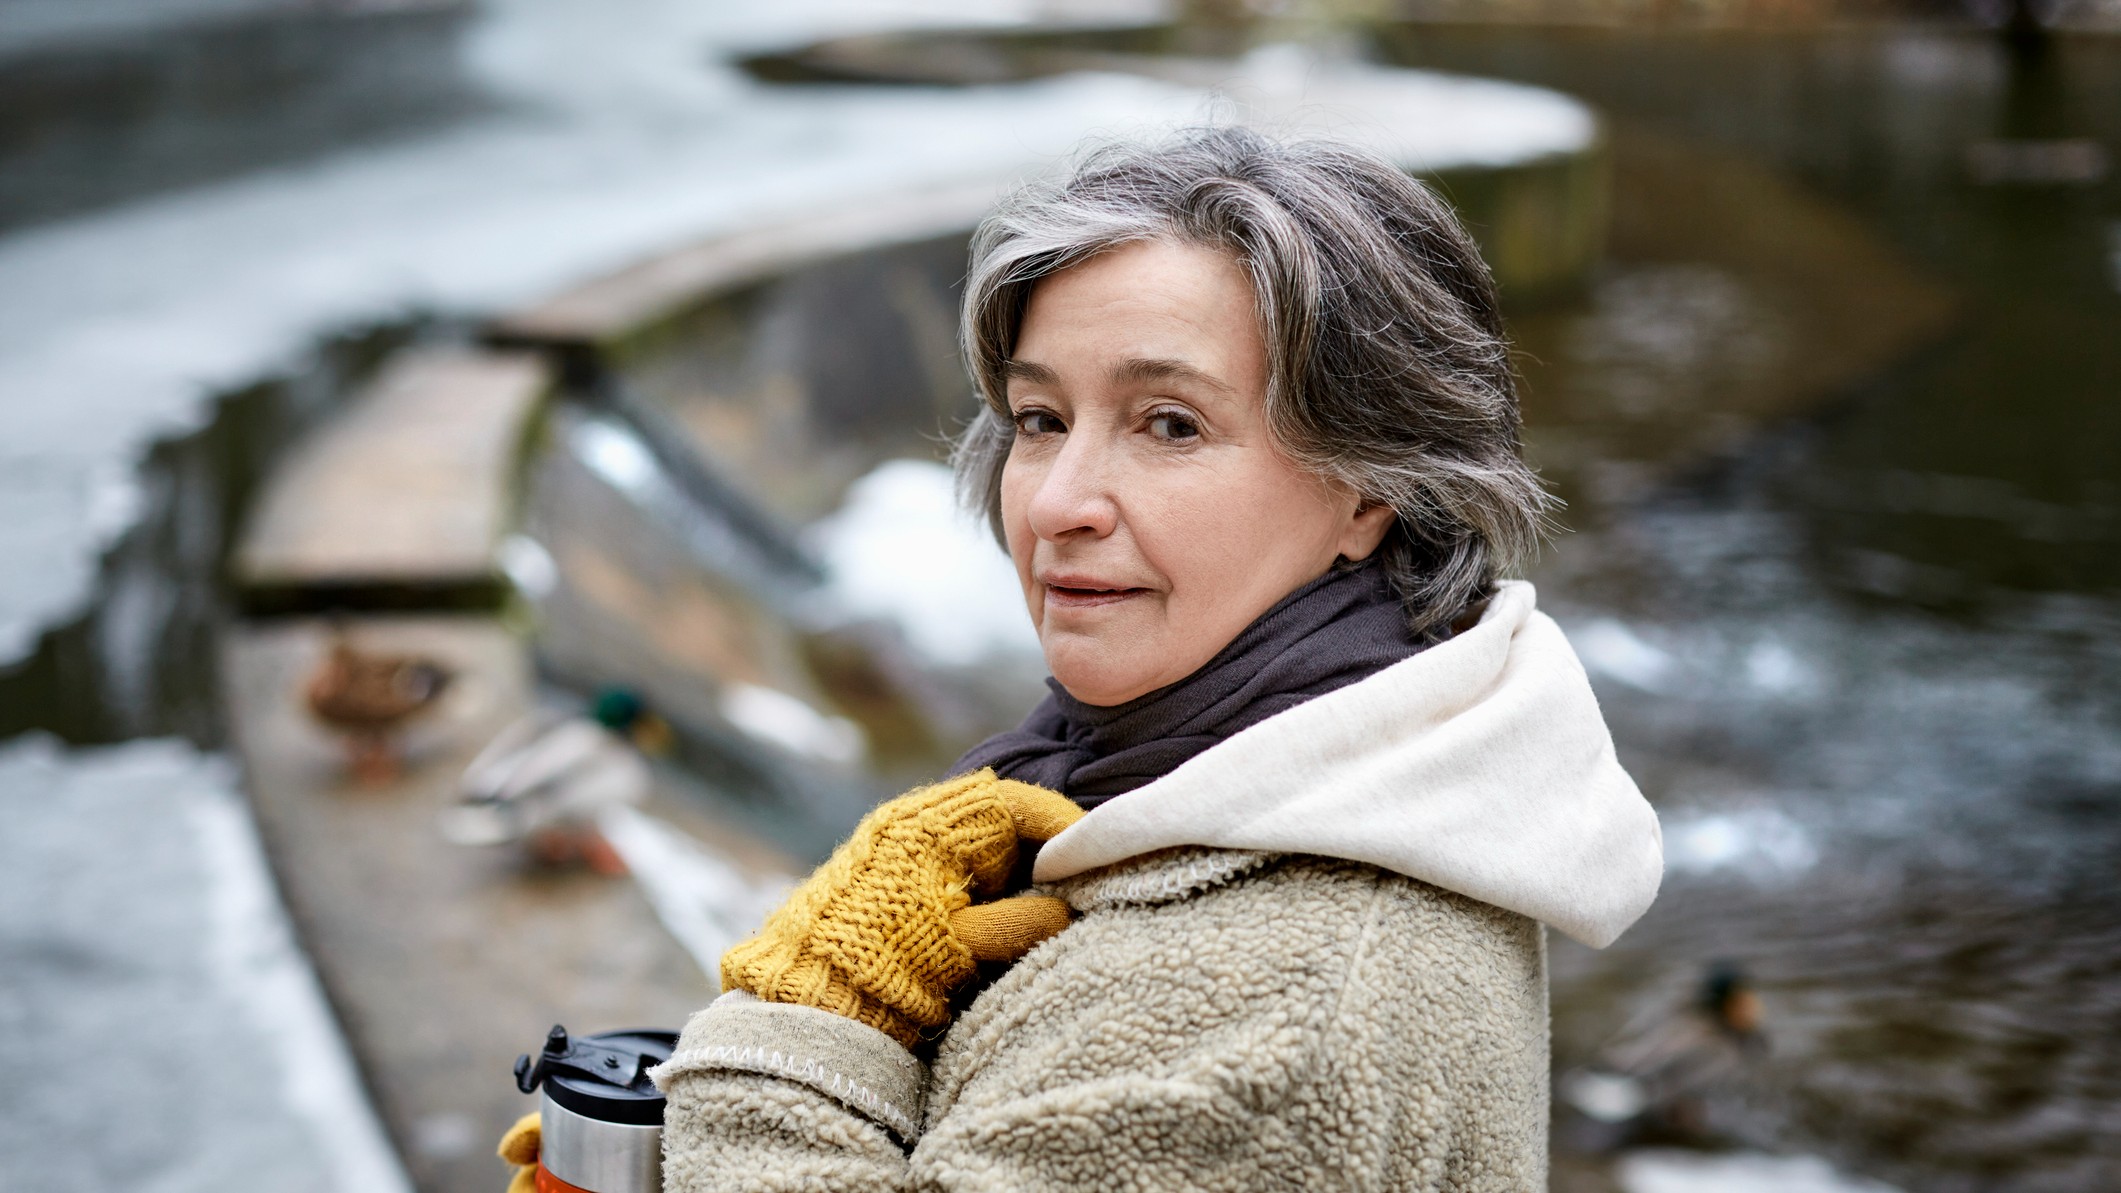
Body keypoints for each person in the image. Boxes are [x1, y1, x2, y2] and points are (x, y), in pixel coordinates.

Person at [638, 126, 1663, 1190]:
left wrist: (808, 1015)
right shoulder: (1310, 764)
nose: (1059, 501)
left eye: (1169, 425)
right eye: (1041, 417)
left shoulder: (1268, 1034)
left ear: (1369, 488)